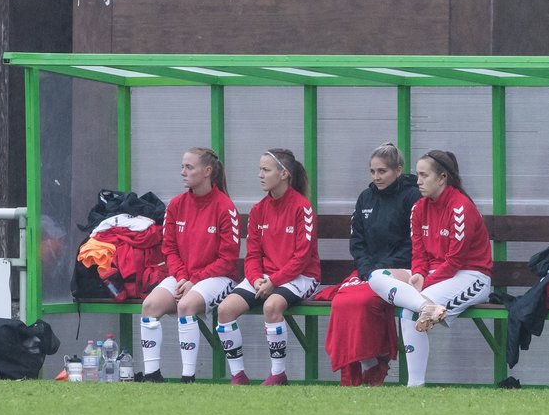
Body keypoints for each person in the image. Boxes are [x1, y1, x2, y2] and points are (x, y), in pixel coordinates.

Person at [365, 150, 493, 387]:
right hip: (433, 275)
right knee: (375, 276)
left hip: (470, 276)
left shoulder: (460, 208)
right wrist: (419, 274)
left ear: (442, 177)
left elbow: (455, 261)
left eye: (424, 175)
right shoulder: (419, 208)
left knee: (408, 310)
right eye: (418, 175)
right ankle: (426, 307)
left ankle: (415, 385)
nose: (418, 181)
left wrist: (426, 281)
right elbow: (419, 252)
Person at [214, 149, 320, 386]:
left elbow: (302, 258)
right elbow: (252, 255)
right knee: (224, 310)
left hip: (302, 277)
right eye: (260, 169)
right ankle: (238, 375)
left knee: (272, 306)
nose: (260, 175)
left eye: (266, 169)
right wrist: (256, 280)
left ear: (283, 174)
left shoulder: (302, 208)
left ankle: (278, 374)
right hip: (264, 278)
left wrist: (275, 281)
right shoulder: (258, 210)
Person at [139, 147, 240, 383]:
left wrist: (195, 280)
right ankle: (152, 375)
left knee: (186, 305)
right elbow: (169, 249)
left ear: (207, 171)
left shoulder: (225, 208)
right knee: (150, 305)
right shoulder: (175, 205)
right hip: (184, 276)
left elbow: (228, 259)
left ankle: (188, 377)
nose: (183, 172)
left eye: (189, 167)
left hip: (219, 277)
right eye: (182, 167)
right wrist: (183, 277)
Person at [325, 142, 419, 386]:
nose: (376, 177)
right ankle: (358, 368)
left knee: (364, 301)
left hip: (400, 271)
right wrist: (367, 269)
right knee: (342, 301)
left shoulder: (412, 197)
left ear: (398, 170)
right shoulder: (365, 197)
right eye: (372, 171)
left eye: (382, 171)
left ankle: (374, 365)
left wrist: (381, 269)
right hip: (368, 270)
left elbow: (414, 242)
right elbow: (357, 241)